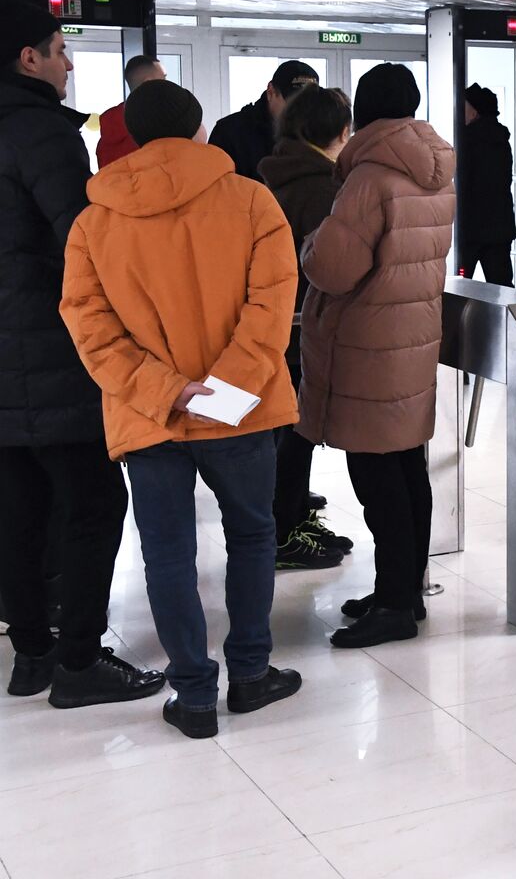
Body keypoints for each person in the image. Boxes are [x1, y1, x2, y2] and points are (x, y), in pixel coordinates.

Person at [60, 78, 304, 740]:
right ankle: (250, 676)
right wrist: (223, 387)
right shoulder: (252, 202)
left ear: (131, 137)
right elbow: (274, 304)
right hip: (241, 410)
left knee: (167, 556)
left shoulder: (93, 223)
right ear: (199, 129)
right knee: (253, 536)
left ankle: (195, 698)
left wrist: (167, 390)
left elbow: (90, 327)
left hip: (149, 416)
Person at [0, 0, 163, 708]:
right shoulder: (40, 132)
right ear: (27, 59)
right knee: (96, 500)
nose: (68, 62)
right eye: (60, 48)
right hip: (49, 352)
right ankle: (77, 663)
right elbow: (82, 242)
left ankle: (31, 653)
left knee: (19, 506)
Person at [296, 63, 455, 648]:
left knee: (375, 475)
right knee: (407, 467)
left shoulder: (369, 176)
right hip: (411, 340)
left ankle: (392, 603)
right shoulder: (436, 169)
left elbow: (334, 266)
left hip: (368, 344)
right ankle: (404, 590)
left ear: (363, 111)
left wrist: (311, 242)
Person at [259, 85, 355, 570]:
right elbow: (329, 266)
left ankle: (291, 520)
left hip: (275, 325)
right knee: (295, 435)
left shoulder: (276, 174)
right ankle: (282, 533)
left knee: (288, 432)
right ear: (340, 132)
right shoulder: (321, 188)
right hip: (302, 327)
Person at [209, 60, 320, 182]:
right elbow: (217, 188)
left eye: (308, 103)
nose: (300, 110)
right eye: (292, 102)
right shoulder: (230, 132)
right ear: (271, 92)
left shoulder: (320, 133)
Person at [457, 82, 516, 286]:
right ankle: (506, 319)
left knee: (460, 284)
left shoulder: (464, 141)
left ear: (474, 113)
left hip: (469, 229)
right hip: (500, 228)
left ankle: (459, 320)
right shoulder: (501, 139)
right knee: (502, 286)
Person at [95, 55, 165, 168]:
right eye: (164, 79)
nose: (168, 86)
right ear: (149, 84)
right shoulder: (152, 132)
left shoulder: (108, 135)